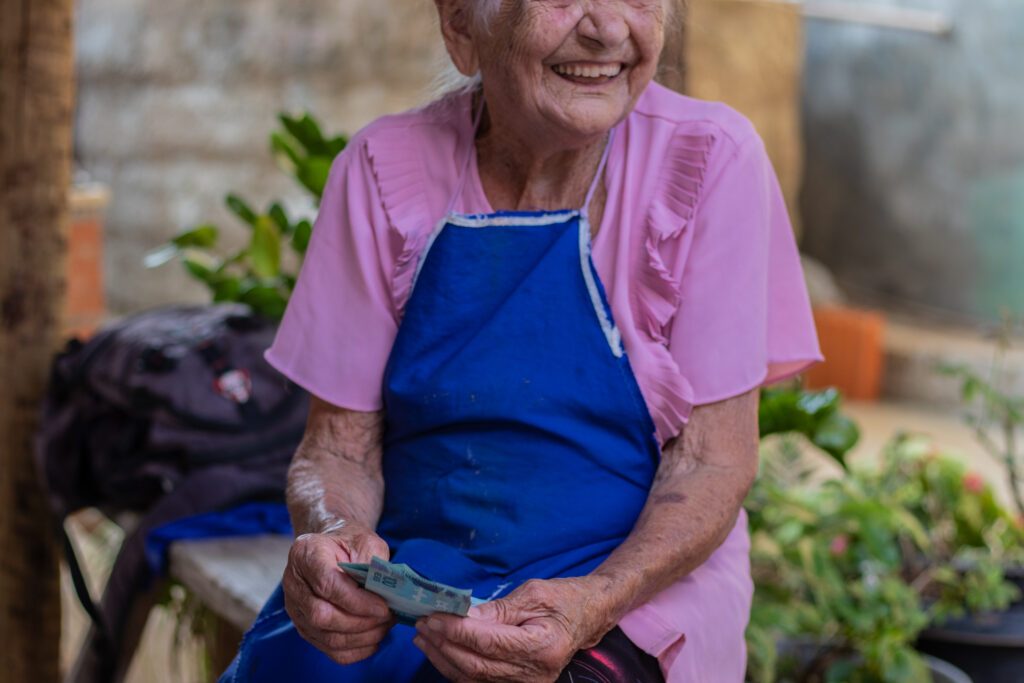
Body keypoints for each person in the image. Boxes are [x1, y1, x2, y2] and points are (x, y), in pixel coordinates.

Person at [220, 0, 821, 681]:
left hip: (632, 587)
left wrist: (590, 602)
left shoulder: (711, 158)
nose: (606, 28)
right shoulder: (381, 169)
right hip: (423, 572)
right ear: (459, 24)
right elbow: (335, 448)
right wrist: (337, 540)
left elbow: (714, 463)